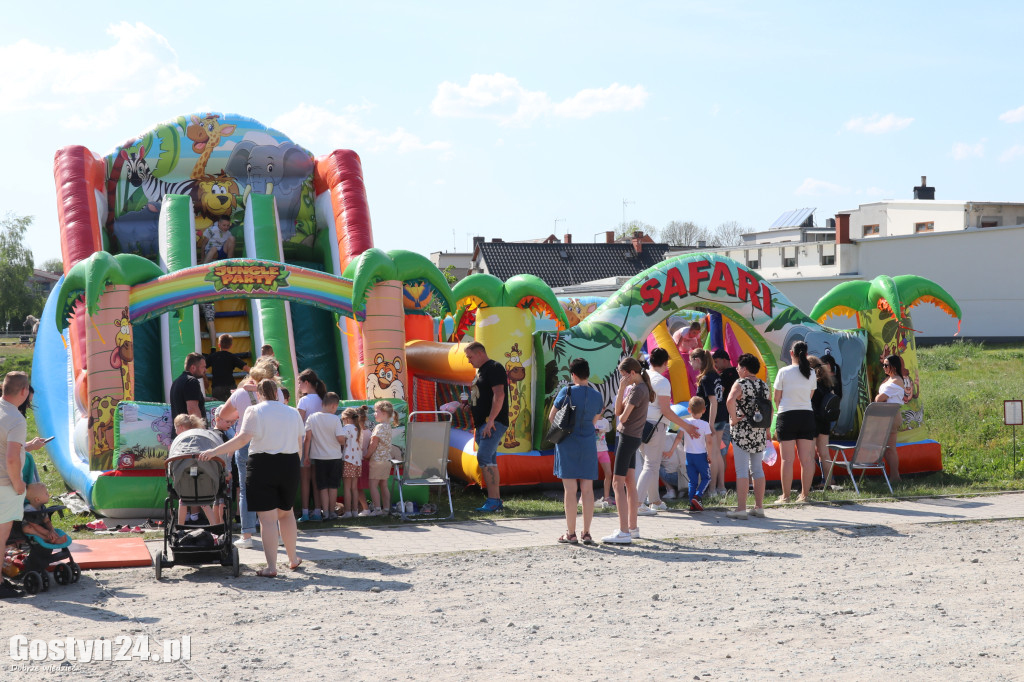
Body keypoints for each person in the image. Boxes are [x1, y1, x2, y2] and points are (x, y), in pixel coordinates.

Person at [199, 378, 305, 577]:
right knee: (287, 513)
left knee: (267, 519)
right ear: (277, 393)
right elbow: (299, 445)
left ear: (258, 394)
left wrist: (215, 451)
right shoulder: (292, 412)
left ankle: (271, 567)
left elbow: (242, 440)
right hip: (289, 464)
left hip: (262, 464)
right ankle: (293, 559)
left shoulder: (254, 411)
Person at [219, 359, 284, 548]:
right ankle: (277, 533)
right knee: (273, 488)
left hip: (246, 441)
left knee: (246, 490)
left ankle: (247, 535)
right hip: (271, 442)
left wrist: (239, 412)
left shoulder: (240, 393)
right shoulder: (277, 393)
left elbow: (224, 415)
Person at [548, 358, 603, 545]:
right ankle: (586, 533)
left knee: (570, 490)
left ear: (573, 374)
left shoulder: (567, 391)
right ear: (588, 374)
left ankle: (570, 534)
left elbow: (552, 417)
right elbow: (595, 420)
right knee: (587, 490)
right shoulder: (597, 396)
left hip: (567, 443)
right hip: (588, 444)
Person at [637, 348, 698, 514]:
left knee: (651, 465)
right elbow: (666, 410)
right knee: (651, 465)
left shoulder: (641, 376)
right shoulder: (662, 382)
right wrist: (686, 426)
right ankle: (637, 503)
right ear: (665, 363)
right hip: (655, 427)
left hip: (639, 425)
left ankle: (655, 501)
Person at [1, 372, 42, 598]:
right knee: (1, 536)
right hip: (4, 484)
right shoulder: (16, 418)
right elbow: (11, 458)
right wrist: (18, 484)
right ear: (25, 392)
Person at [602, 357, 651, 544]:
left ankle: (624, 531)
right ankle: (632, 527)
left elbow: (621, 418)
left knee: (617, 483)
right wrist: (622, 390)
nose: (623, 379)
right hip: (633, 437)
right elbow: (618, 412)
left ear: (632, 372)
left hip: (627, 437)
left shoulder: (638, 390)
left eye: (624, 376)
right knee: (629, 482)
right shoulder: (641, 388)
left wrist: (623, 390)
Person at [463, 342, 509, 513]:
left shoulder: (494, 367)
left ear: (480, 353)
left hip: (493, 422)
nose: (469, 360)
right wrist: (470, 406)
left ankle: (493, 500)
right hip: (484, 422)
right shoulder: (481, 372)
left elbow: (499, 394)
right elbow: (484, 396)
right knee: (490, 460)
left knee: (484, 457)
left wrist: (491, 421)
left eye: (470, 356)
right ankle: (495, 500)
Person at [726, 353, 769, 519]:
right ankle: (759, 507)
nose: (737, 369)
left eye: (738, 366)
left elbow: (730, 400)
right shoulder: (763, 385)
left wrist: (734, 419)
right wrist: (766, 429)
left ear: (744, 369)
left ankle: (741, 508)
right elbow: (768, 408)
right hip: (759, 430)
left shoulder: (740, 383)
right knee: (757, 469)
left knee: (742, 470)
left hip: (742, 431)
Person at [773, 341, 817, 503]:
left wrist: (782, 410)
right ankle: (804, 496)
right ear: (806, 354)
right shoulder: (811, 373)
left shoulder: (783, 372)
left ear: (791, 353)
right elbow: (810, 396)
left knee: (787, 460)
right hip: (806, 415)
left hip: (787, 415)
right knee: (807, 459)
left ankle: (785, 497)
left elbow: (776, 397)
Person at [304, 392, 346, 521]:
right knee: (333, 486)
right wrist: (345, 440)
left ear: (323, 404)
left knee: (322, 487)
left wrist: (306, 456)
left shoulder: (311, 418)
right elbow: (340, 439)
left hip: (319, 458)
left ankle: (325, 512)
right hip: (335, 457)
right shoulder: (335, 419)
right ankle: (332, 512)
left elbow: (308, 439)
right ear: (334, 406)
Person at [689, 348, 726, 498]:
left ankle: (712, 489)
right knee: (717, 454)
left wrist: (710, 424)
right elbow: (720, 393)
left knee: (713, 454)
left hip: (713, 419)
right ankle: (721, 487)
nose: (691, 364)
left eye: (691, 361)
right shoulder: (715, 375)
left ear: (698, 360)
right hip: (721, 417)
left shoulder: (706, 378)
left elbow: (713, 401)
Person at [671, 396, 714, 511]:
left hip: (688, 456)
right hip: (701, 455)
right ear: (704, 410)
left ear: (689, 410)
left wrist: (671, 451)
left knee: (692, 481)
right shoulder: (705, 425)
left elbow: (678, 438)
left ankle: (692, 504)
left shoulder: (685, 422)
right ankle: (697, 496)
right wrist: (709, 455)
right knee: (707, 477)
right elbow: (709, 441)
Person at [296, 369, 327, 522]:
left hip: (305, 443)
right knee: (317, 480)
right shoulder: (323, 399)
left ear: (306, 383)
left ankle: (305, 512)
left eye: (300, 383)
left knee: (305, 480)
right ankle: (317, 511)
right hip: (321, 443)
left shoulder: (304, 401)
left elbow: (298, 423)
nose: (299, 386)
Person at [361, 401, 396, 517]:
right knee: (384, 485)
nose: (374, 414)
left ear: (385, 413)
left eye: (376, 411)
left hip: (377, 460)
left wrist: (366, 456)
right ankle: (386, 508)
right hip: (386, 460)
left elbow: (373, 444)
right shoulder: (388, 426)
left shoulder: (379, 427)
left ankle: (377, 509)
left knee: (373, 485)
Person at [875, 354, 906, 484]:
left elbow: (879, 398)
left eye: (886, 365)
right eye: (883, 365)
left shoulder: (896, 381)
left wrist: (878, 397)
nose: (884, 367)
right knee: (887, 449)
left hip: (892, 416)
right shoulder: (890, 379)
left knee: (890, 448)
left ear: (894, 366)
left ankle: (895, 476)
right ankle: (893, 476)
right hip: (886, 415)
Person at [713, 348, 739, 492]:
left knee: (720, 452)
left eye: (716, 362)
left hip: (725, 419)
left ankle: (719, 485)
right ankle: (746, 484)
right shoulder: (738, 373)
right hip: (739, 417)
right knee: (742, 451)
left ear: (724, 359)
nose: (715, 365)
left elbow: (719, 395)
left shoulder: (722, 376)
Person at [808, 355, 838, 485]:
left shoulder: (811, 382)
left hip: (813, 420)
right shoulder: (827, 383)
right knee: (824, 453)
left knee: (809, 455)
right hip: (825, 421)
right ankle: (829, 480)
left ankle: (808, 483)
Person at [206, 334, 248, 402]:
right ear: (231, 346)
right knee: (233, 406)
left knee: (218, 406)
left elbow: (203, 366)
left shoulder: (213, 356)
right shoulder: (232, 357)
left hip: (217, 387)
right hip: (230, 386)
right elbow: (246, 368)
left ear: (219, 345)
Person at [338, 408, 362, 519]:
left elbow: (340, 439)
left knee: (347, 488)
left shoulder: (347, 428)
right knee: (354, 488)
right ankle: (355, 511)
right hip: (357, 461)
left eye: (343, 419)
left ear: (347, 419)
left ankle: (347, 511)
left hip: (348, 460)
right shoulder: (358, 428)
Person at [170, 352, 207, 421]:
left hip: (179, 429)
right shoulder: (191, 381)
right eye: (203, 367)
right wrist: (200, 429)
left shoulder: (176, 381)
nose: (205, 370)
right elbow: (193, 410)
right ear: (193, 367)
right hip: (190, 430)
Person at [593, 416, 614, 508]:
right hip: (592, 451)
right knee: (588, 475)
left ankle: (606, 497)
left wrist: (598, 431)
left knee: (608, 473)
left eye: (602, 408)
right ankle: (583, 497)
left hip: (603, 450)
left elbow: (606, 431)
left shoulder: (605, 421)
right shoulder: (591, 419)